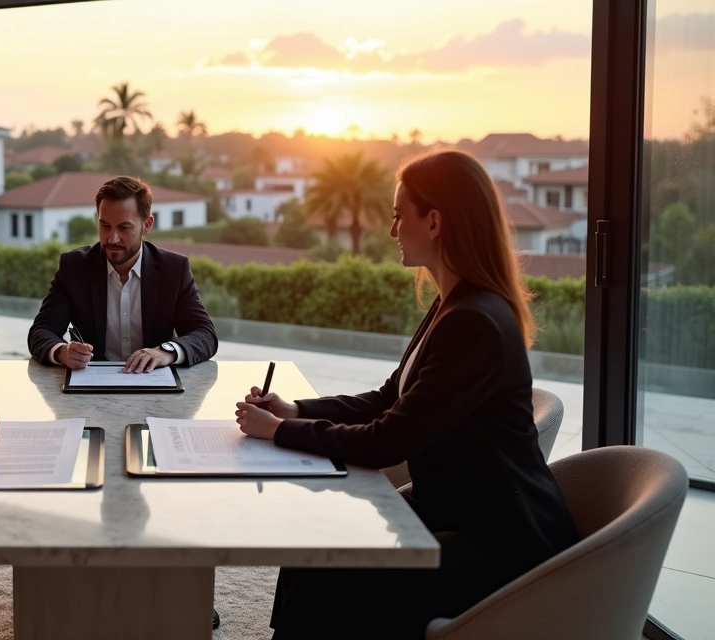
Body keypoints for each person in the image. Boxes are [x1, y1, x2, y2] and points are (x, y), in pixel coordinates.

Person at [235, 149, 580, 639]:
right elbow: (386, 398)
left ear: (434, 221)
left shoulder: (475, 322)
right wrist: (294, 408)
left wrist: (283, 431)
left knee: (324, 581)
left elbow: (387, 440)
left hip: (496, 546)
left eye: (399, 216)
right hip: (456, 514)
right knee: (309, 545)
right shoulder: (454, 303)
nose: (392, 230)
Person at [28, 175, 218, 373]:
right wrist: (61, 351)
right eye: (105, 226)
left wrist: (166, 352)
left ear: (147, 225)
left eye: (124, 227)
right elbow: (41, 331)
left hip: (155, 387)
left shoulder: (173, 269)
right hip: (90, 390)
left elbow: (205, 335)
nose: (112, 238)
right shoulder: (74, 267)